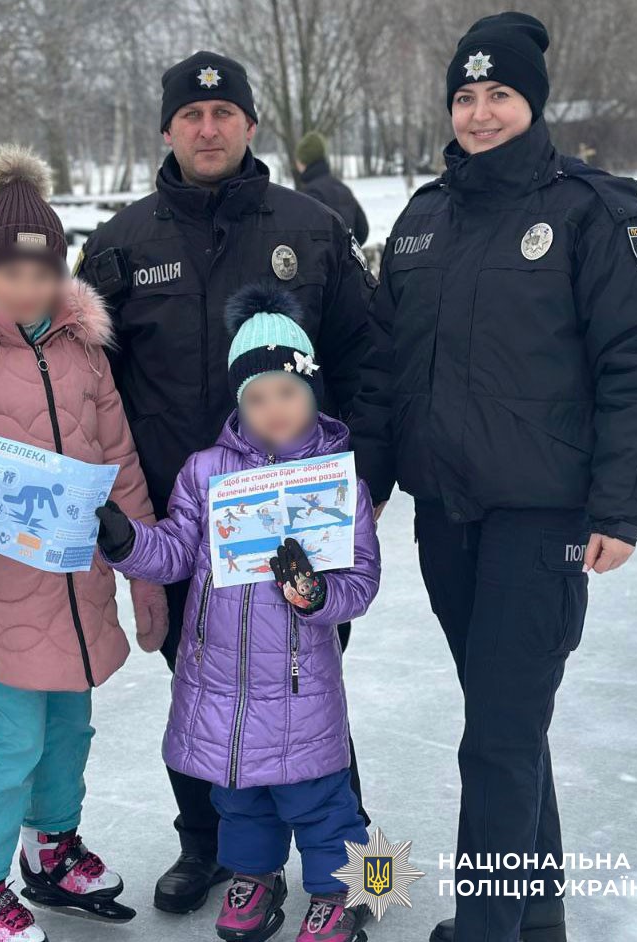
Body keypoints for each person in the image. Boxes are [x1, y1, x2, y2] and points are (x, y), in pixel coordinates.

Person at [350, 13, 637, 942]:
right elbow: (383, 371)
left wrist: (620, 505)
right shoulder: (421, 219)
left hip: (543, 522)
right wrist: (363, 487)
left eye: (499, 94)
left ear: (532, 103)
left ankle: (488, 929)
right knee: (508, 727)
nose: (479, 112)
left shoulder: (591, 211)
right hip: (446, 517)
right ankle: (534, 924)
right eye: (464, 96)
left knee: (497, 737)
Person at [76, 49, 376, 913]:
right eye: (190, 116)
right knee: (202, 691)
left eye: (223, 114)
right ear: (166, 129)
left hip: (298, 527)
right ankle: (210, 847)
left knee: (307, 693)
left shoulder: (312, 227)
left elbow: (368, 359)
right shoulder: (120, 244)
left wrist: (362, 483)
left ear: (249, 123)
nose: (207, 129)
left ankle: (354, 868)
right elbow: (85, 381)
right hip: (183, 526)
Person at [0, 145, 165, 942]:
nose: (26, 287)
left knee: (69, 732)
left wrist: (145, 569)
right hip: (0, 586)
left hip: (77, 584)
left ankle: (50, 850)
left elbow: (119, 460)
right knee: (10, 741)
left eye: (41, 271)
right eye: (9, 273)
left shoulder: (83, 350)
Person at [95, 284, 380, 942]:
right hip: (219, 677)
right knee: (239, 794)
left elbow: (360, 582)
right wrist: (126, 541)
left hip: (299, 681)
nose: (273, 409)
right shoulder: (205, 472)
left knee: (317, 796)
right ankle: (255, 876)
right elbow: (175, 552)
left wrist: (317, 596)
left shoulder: (339, 481)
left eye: (287, 391)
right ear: (238, 402)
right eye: (256, 397)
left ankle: (346, 890)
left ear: (312, 391)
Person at [294, 132, 369, 246]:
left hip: (320, 257)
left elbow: (299, 235)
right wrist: (347, 250)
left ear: (303, 160)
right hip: (346, 256)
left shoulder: (308, 194)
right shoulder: (343, 189)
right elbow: (362, 230)